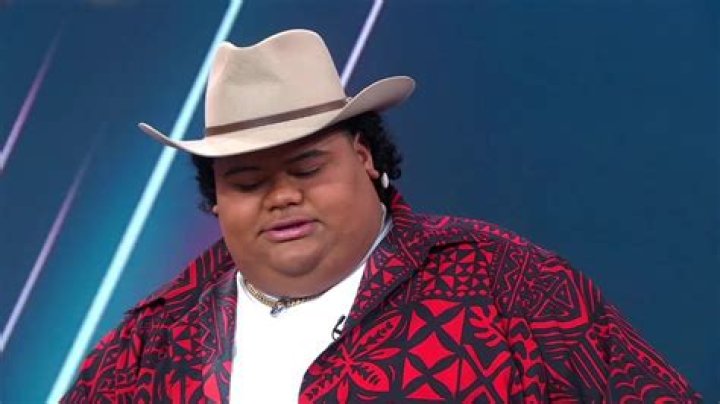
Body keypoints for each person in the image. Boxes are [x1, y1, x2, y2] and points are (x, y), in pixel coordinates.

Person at [63, 29, 700, 403]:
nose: (281, 196)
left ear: (365, 157)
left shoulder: (511, 286)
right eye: (248, 182)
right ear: (216, 201)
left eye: (306, 169)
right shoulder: (150, 342)